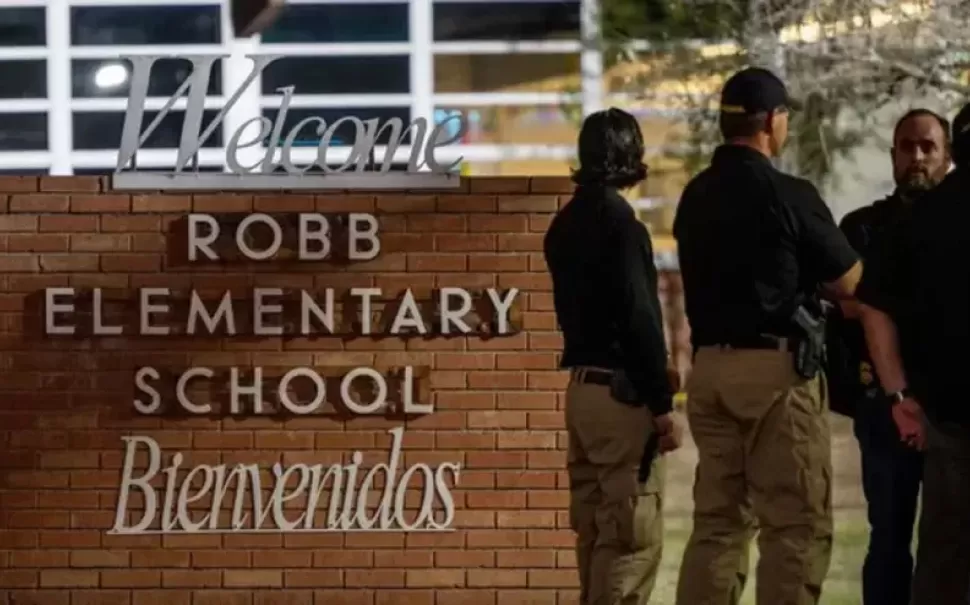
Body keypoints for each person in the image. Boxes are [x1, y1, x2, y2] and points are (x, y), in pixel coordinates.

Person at [672, 67, 863, 605]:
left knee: (718, 524)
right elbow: (850, 282)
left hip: (709, 371)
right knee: (795, 526)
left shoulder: (695, 196)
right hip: (774, 376)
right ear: (772, 122)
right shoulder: (789, 193)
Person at [544, 107, 683, 605]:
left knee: (596, 534)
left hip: (581, 392)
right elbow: (641, 321)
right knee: (629, 541)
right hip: (622, 398)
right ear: (633, 158)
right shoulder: (623, 228)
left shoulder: (563, 226)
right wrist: (663, 409)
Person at [828, 108, 952, 605]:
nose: (917, 158)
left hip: (952, 408)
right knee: (889, 537)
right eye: (907, 147)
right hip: (884, 405)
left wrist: (880, 303)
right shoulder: (862, 229)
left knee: (952, 544)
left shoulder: (958, 226)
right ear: (893, 155)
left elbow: (872, 303)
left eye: (928, 147)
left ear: (948, 157)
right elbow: (844, 302)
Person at [857, 101, 970, 605]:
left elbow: (873, 307)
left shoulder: (917, 221)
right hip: (939, 417)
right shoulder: (891, 222)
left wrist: (899, 391)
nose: (919, 157)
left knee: (942, 558)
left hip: (944, 416)